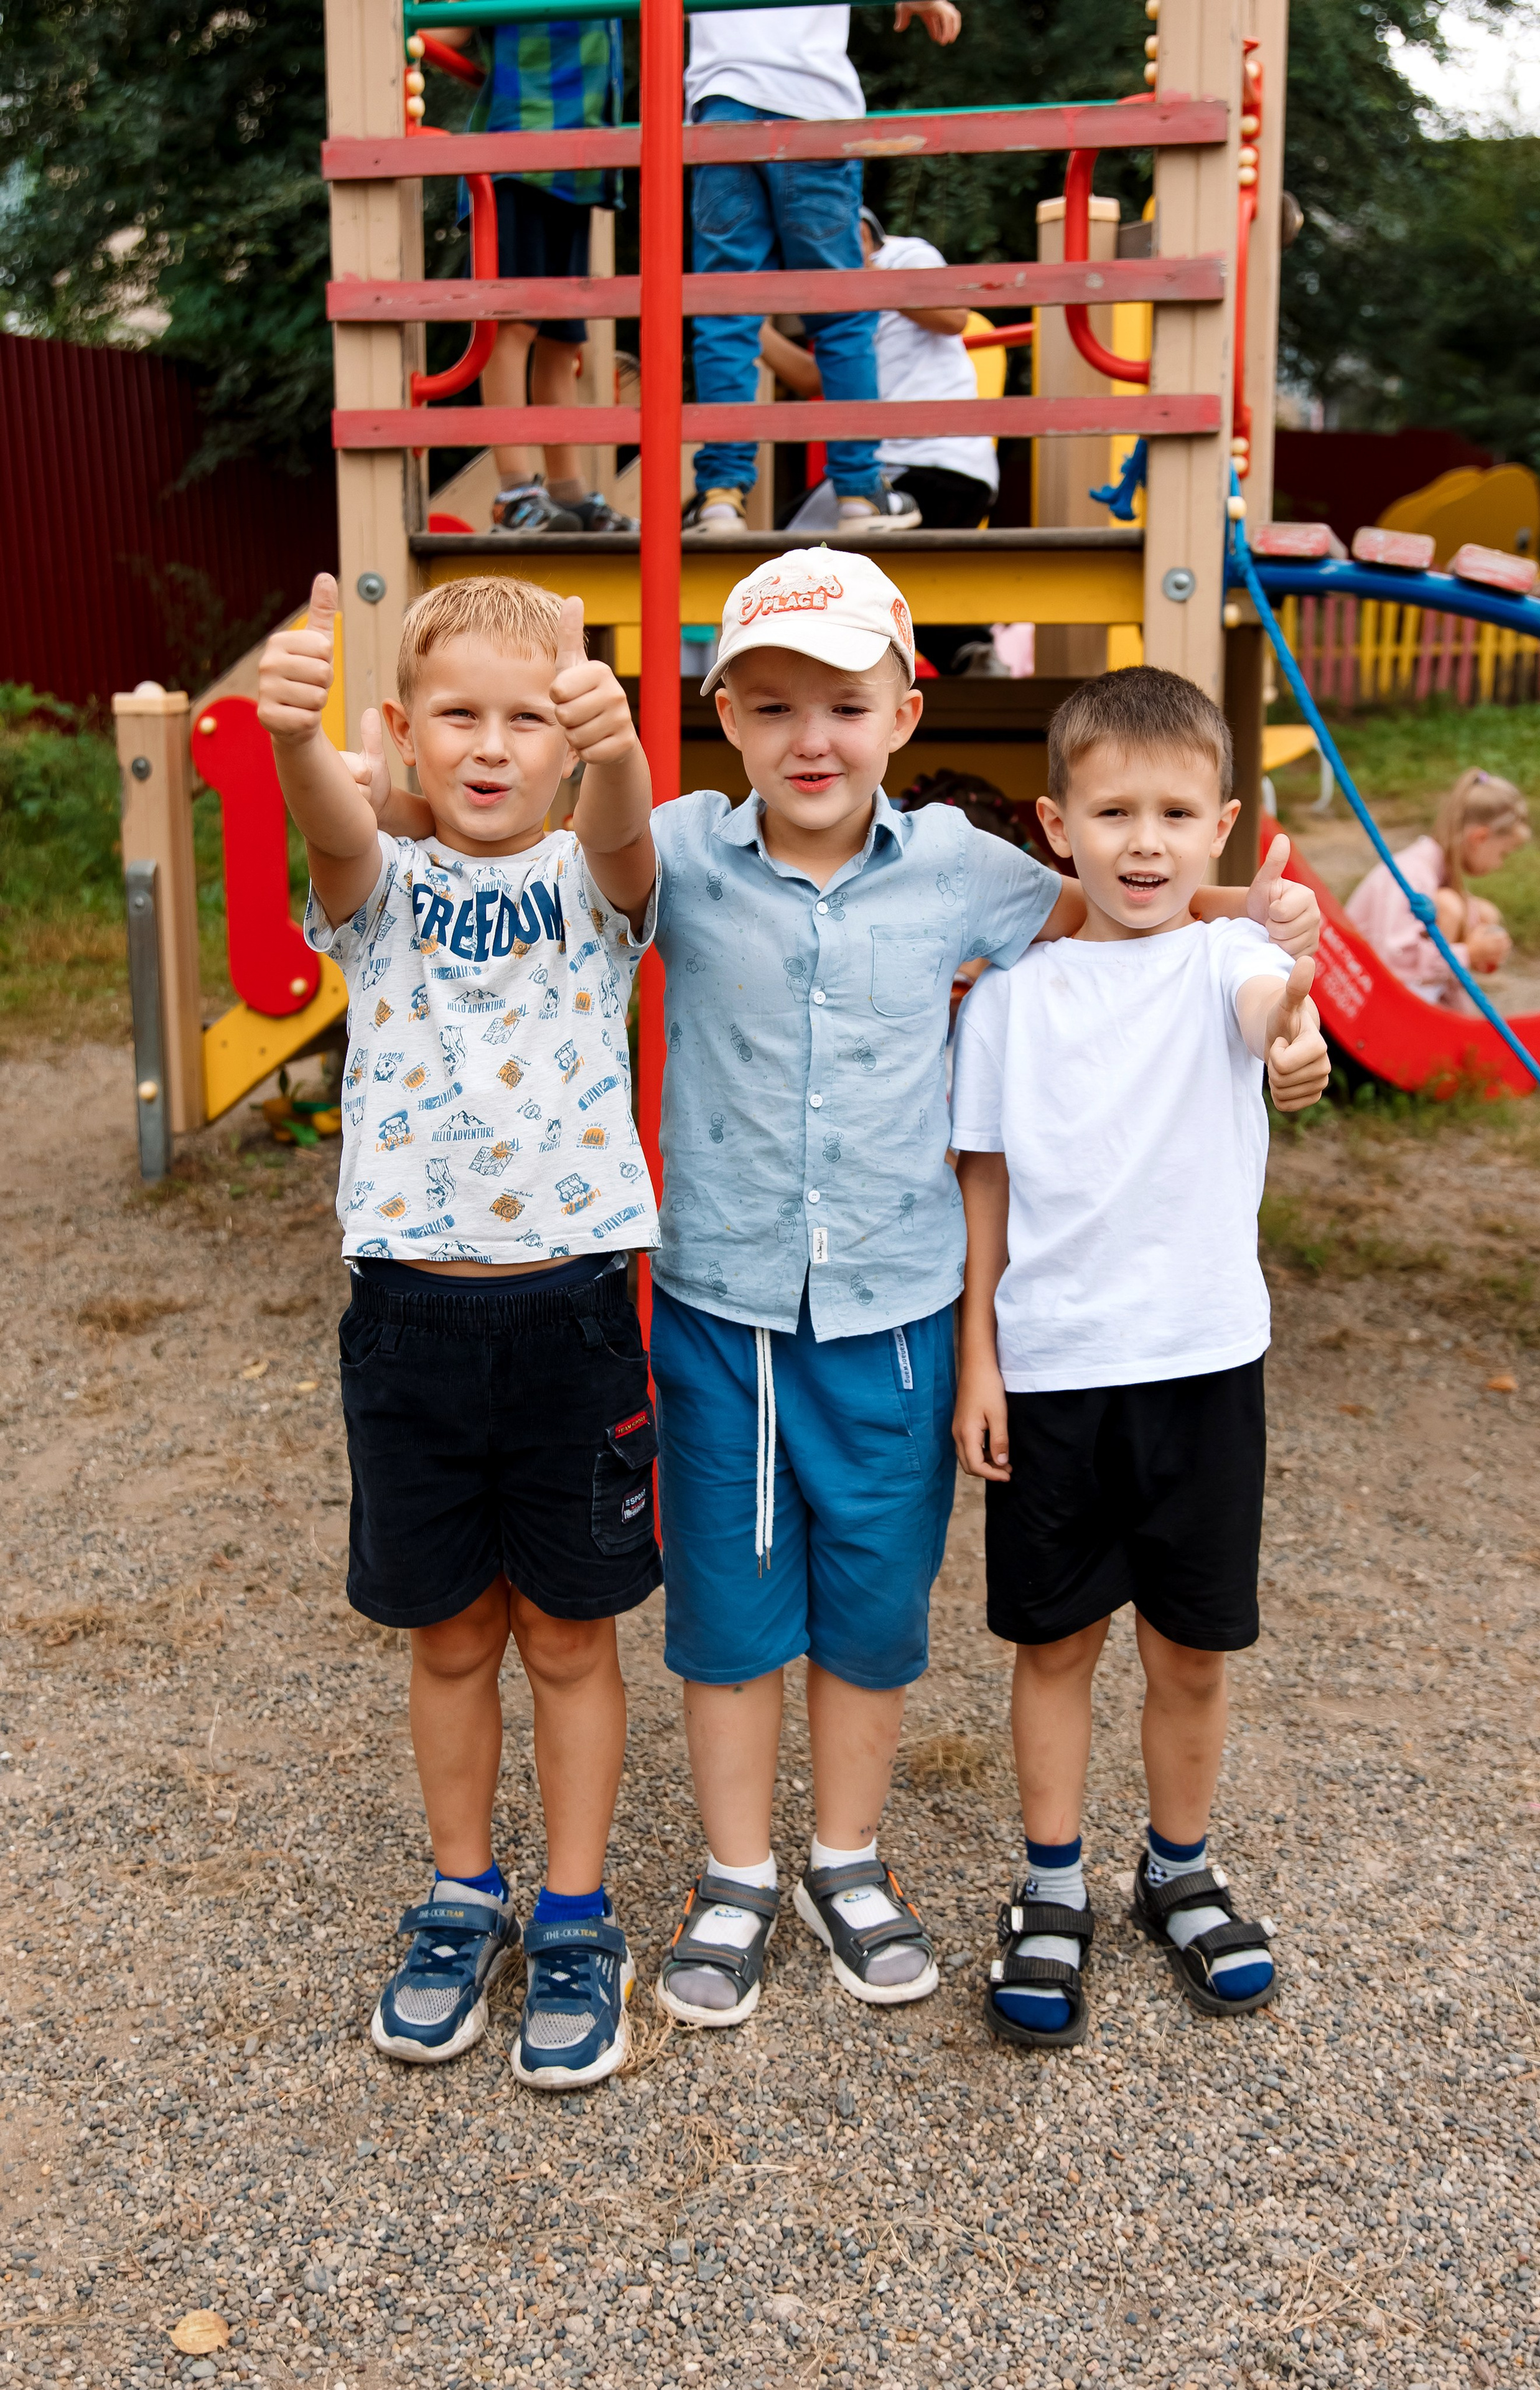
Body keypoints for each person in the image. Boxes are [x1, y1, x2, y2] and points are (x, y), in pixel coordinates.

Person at [640, 555, 1325, 2029]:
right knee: (730, 1605)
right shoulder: (681, 852)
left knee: (875, 1605)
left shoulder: (963, 869)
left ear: (904, 706)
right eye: (772, 705)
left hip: (894, 1300)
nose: (810, 734)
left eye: (844, 699)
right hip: (726, 1295)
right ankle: (734, 1872)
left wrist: (1255, 925)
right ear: (723, 715)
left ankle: (849, 1856)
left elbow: (1126, 901)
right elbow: (576, 880)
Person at [255, 572, 660, 2089]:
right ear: (407, 735)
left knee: (567, 1628)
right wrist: (299, 745)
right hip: (411, 1319)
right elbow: (339, 836)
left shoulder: (589, 879)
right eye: (457, 717)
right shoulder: (383, 894)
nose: (491, 746)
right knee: (448, 1632)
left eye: (526, 716)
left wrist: (617, 748)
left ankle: (572, 1911)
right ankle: (457, 1894)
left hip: (570, 1317)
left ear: (562, 738)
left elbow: (624, 839)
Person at [950, 666, 1330, 2051]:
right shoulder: (1007, 1002)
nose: (1144, 841)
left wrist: (1294, 1023)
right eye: (1113, 811)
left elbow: (1270, 1026)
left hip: (1201, 1367)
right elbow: (980, 1192)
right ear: (1056, 825)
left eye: (1175, 812)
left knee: (1189, 1649)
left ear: (1219, 824)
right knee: (1054, 1643)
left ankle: (1175, 1866)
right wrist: (975, 1361)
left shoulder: (1223, 962)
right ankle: (1049, 1884)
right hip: (1048, 1370)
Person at [682, 2, 962, 535]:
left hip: (723, 104)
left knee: (725, 313)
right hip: (811, 104)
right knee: (840, 315)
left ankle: (720, 496)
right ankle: (860, 494)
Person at [765, 204, 999, 666]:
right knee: (892, 581)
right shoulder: (842, 298)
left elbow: (953, 314)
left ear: (865, 234)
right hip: (929, 472)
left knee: (789, 556)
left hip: (924, 464)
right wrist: (748, 329)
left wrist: (868, 278)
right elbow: (816, 380)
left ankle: (786, 672)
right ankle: (968, 651)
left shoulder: (906, 255)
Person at [428, 12, 636, 535]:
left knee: (564, 339)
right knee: (513, 326)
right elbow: (435, 33)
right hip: (515, 162)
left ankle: (570, 491)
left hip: (578, 172)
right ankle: (515, 490)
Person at [1345, 766, 1529, 1008]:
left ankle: (1433, 1013)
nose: (1500, 864)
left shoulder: (1434, 870)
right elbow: (1396, 959)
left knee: (1478, 910)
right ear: (1480, 838)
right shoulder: (1413, 874)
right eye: (1503, 853)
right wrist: (1468, 955)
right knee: (1451, 906)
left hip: (1374, 989)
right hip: (1357, 996)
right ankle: (1422, 1019)